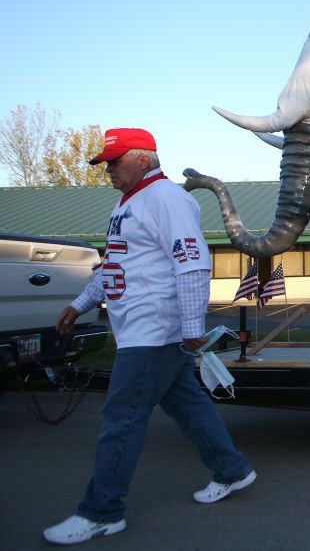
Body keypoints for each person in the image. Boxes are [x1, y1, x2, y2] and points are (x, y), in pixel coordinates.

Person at [44, 128, 255, 545]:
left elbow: (192, 262)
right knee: (187, 405)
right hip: (144, 330)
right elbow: (114, 265)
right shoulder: (128, 203)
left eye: (115, 161)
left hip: (153, 331)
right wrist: (81, 302)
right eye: (105, 163)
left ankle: (102, 512)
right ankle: (233, 470)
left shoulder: (167, 199)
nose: (108, 170)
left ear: (143, 159)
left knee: (121, 419)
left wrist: (193, 325)